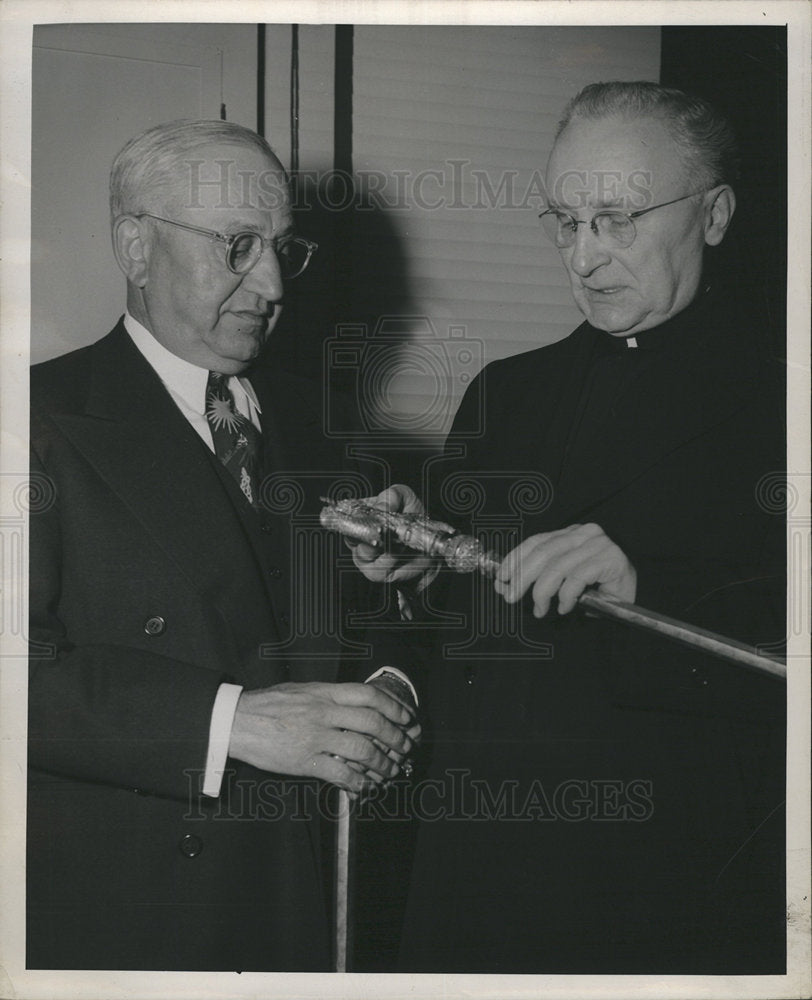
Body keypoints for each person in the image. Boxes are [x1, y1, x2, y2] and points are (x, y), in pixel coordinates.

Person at [353, 82, 786, 974]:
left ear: (714, 214)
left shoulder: (785, 399)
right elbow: (459, 628)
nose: (584, 256)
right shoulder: (505, 392)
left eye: (618, 219)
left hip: (665, 891)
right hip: (472, 869)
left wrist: (643, 586)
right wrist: (416, 562)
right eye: (565, 219)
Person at [27, 119, 420, 972]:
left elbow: (349, 645)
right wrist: (229, 720)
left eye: (284, 248)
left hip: (311, 903)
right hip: (135, 924)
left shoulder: (317, 429)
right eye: (238, 245)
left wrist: (388, 590)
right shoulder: (33, 421)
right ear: (136, 246)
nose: (273, 283)